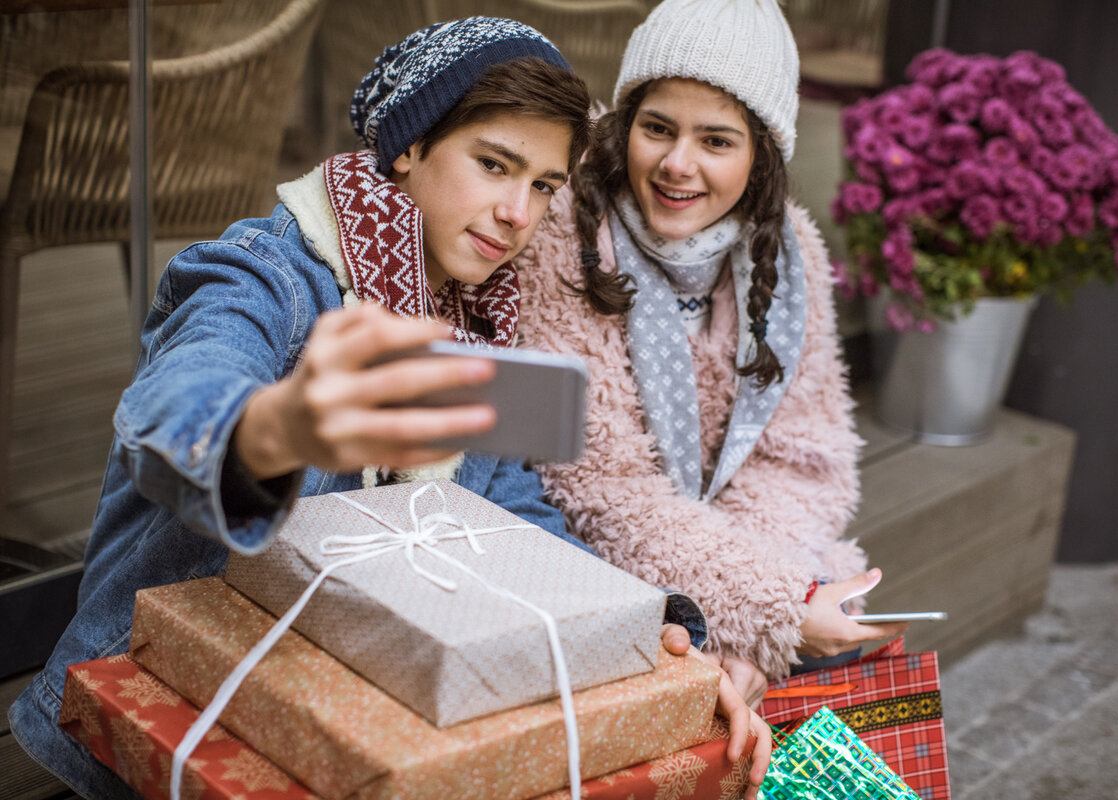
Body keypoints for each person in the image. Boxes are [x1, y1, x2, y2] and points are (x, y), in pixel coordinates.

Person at [9, 18, 760, 798]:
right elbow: (176, 405)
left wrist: (650, 635)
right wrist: (277, 429)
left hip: (343, 720)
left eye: (541, 185)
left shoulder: (474, 319)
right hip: (166, 728)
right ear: (409, 147)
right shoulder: (264, 273)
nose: (517, 212)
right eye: (494, 164)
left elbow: (513, 513)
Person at [514, 0, 910, 710]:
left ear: (761, 155)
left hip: (730, 572)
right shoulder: (567, 234)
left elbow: (802, 460)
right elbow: (598, 493)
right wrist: (774, 610)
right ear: (624, 126)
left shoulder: (787, 257)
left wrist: (745, 630)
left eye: (717, 141)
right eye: (657, 128)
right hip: (581, 570)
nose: (677, 164)